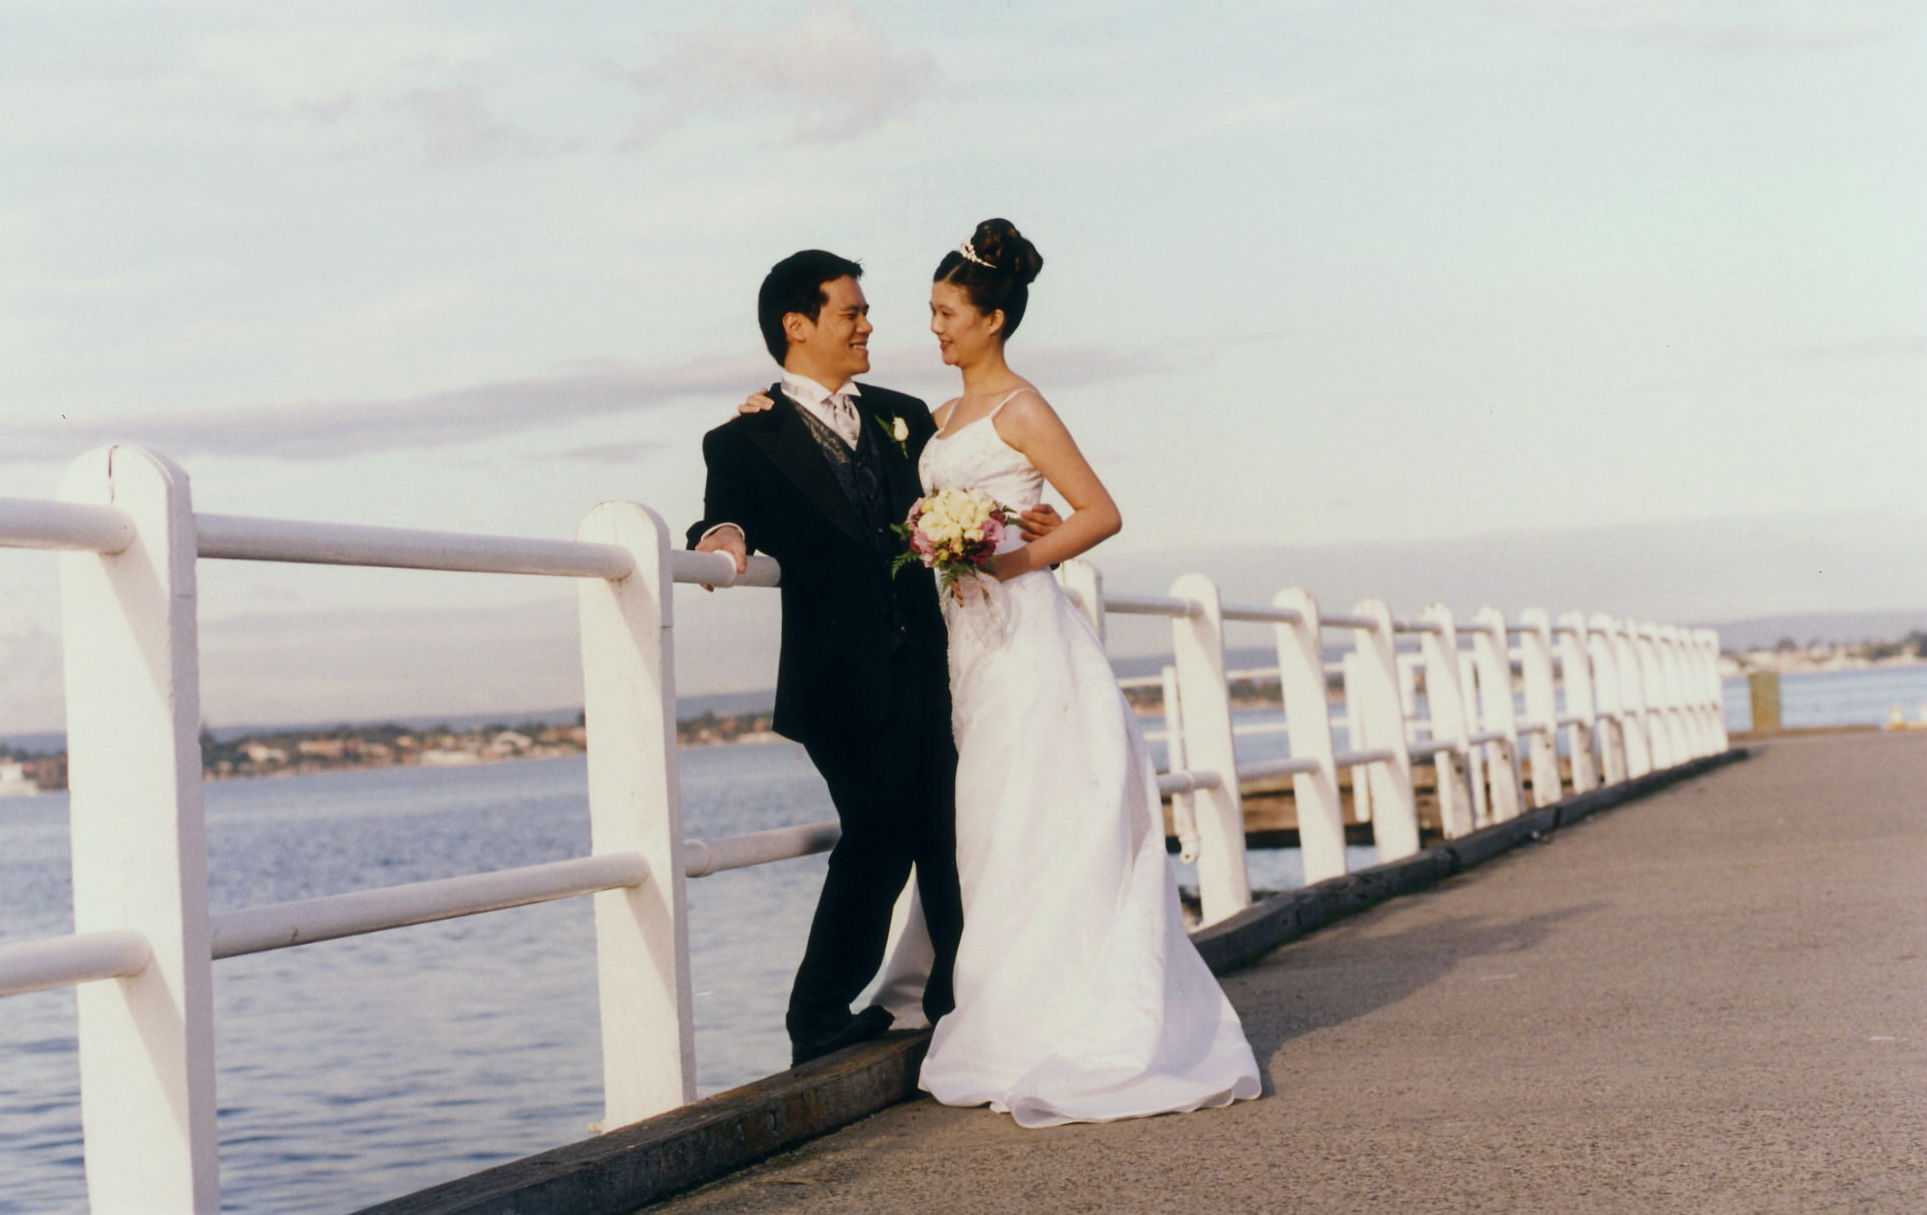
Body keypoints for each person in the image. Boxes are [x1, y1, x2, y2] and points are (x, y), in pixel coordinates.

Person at [737, 222, 1261, 1125]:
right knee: (981, 823)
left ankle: (1056, 1009)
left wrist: (1007, 558)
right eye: (927, 311)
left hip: (1019, 632)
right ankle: (987, 999)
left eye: (945, 312)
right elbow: (848, 458)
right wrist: (768, 408)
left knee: (1035, 810)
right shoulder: (926, 418)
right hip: (954, 650)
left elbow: (1098, 512)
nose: (928, 326)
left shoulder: (1020, 407)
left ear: (990, 319)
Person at [687, 250, 1060, 1066]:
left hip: (930, 666)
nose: (867, 326)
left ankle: (961, 1004)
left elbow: (963, 501)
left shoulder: (903, 415)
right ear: (798, 325)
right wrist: (722, 539)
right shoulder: (744, 436)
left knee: (945, 832)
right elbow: (726, 513)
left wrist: (1023, 523)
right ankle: (817, 1015)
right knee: (878, 831)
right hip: (835, 679)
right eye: (850, 312)